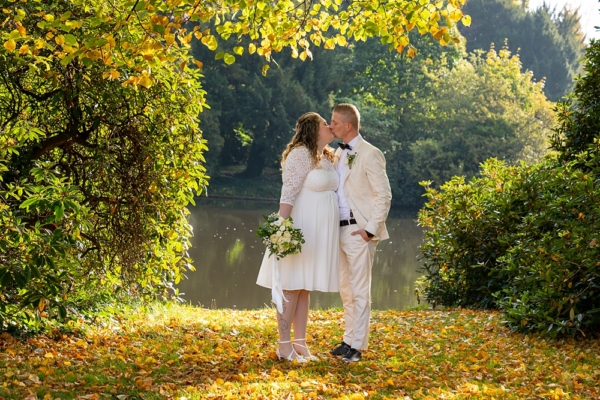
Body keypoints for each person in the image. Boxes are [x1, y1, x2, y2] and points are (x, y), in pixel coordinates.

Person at [256, 112, 340, 362]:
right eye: (326, 123)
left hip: (317, 232)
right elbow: (289, 191)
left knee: (303, 287)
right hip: (300, 227)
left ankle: (300, 344)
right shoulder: (300, 154)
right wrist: (282, 228)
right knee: (291, 285)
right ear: (314, 129)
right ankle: (284, 346)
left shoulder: (327, 156)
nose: (330, 126)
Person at [329, 103, 392, 362]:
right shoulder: (336, 154)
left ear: (348, 126)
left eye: (334, 122)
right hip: (339, 230)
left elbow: (384, 195)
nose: (330, 126)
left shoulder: (370, 153)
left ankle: (358, 346)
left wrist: (369, 230)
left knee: (360, 289)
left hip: (359, 231)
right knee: (346, 288)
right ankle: (348, 339)